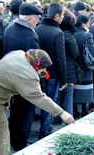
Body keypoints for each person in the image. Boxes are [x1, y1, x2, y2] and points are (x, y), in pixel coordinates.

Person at [0, 49, 75, 155]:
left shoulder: (20, 54)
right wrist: (61, 113)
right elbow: (39, 97)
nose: (45, 71)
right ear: (36, 65)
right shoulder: (28, 74)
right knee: (0, 131)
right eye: (43, 67)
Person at [2, 2, 43, 151]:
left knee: (15, 110)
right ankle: (21, 144)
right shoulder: (30, 36)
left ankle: (13, 138)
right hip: (24, 81)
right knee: (25, 113)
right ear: (29, 19)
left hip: (10, 78)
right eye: (37, 18)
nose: (38, 21)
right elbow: (35, 63)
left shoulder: (10, 28)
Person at [35, 2, 67, 139]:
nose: (63, 17)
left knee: (40, 101)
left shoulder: (37, 28)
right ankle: (44, 130)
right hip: (52, 74)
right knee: (49, 103)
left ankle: (43, 128)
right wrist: (64, 80)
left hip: (37, 71)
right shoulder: (57, 32)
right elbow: (60, 58)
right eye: (63, 15)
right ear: (57, 15)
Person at [54, 10, 79, 124]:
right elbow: (75, 53)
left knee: (57, 93)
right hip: (68, 68)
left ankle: (56, 117)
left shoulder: (57, 30)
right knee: (68, 93)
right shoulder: (68, 33)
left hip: (56, 68)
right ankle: (69, 120)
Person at [73, 14, 94, 116]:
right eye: (88, 23)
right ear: (84, 23)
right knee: (86, 88)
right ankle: (85, 109)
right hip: (85, 65)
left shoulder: (72, 33)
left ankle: (75, 110)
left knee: (75, 87)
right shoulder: (87, 35)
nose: (89, 25)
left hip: (74, 65)